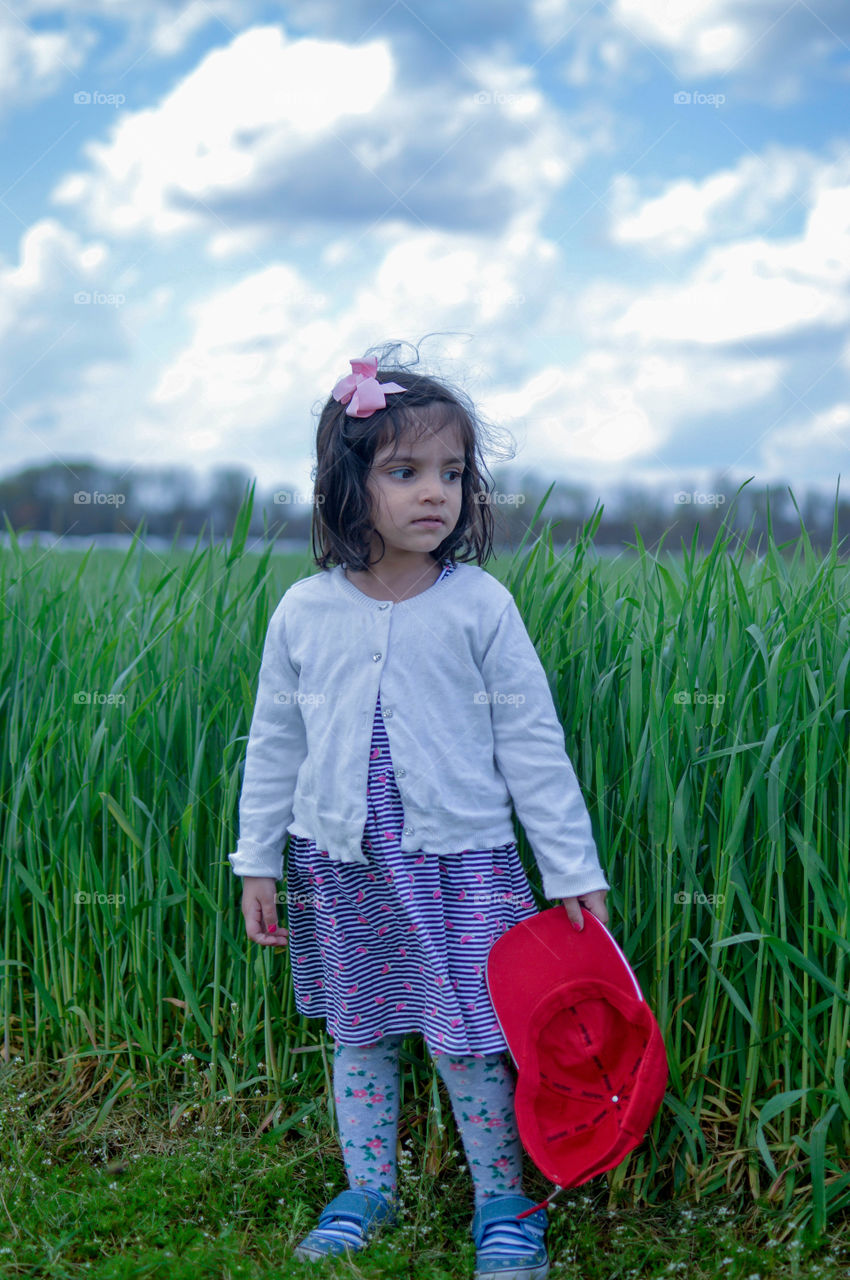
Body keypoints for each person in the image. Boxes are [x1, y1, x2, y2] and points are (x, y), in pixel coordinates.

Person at [228, 345, 610, 1280]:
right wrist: (256, 860)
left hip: (461, 862)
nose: (433, 493)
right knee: (358, 1028)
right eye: (404, 472)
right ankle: (367, 1187)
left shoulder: (480, 604)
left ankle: (504, 1205)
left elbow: (533, 744)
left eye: (450, 473)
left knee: (474, 1037)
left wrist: (573, 870)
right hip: (340, 862)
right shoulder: (303, 612)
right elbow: (273, 743)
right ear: (347, 484)